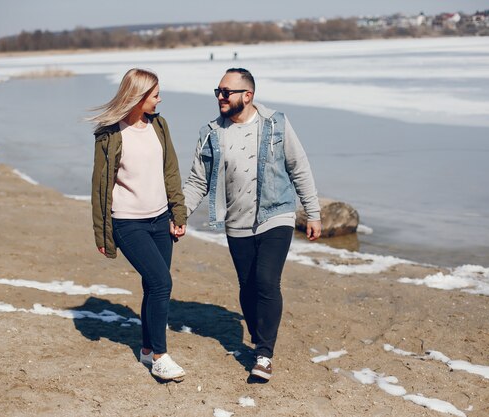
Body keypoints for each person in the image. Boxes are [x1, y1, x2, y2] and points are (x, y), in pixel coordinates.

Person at [183, 68, 322, 381]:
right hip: (237, 220)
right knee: (247, 285)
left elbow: (299, 168)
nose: (220, 96)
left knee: (266, 280)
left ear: (248, 95)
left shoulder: (276, 124)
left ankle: (264, 353)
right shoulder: (210, 132)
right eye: (218, 91)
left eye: (226, 91)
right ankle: (260, 340)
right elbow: (197, 181)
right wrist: (180, 213)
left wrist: (312, 213)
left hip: (277, 215)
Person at [89, 68, 187, 381]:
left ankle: (146, 349)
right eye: (155, 94)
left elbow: (170, 171)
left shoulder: (159, 125)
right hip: (128, 223)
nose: (160, 99)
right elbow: (100, 186)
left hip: (161, 220)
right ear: (138, 96)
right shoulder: (109, 133)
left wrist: (178, 213)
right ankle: (160, 356)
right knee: (161, 283)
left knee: (152, 285)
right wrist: (101, 232)